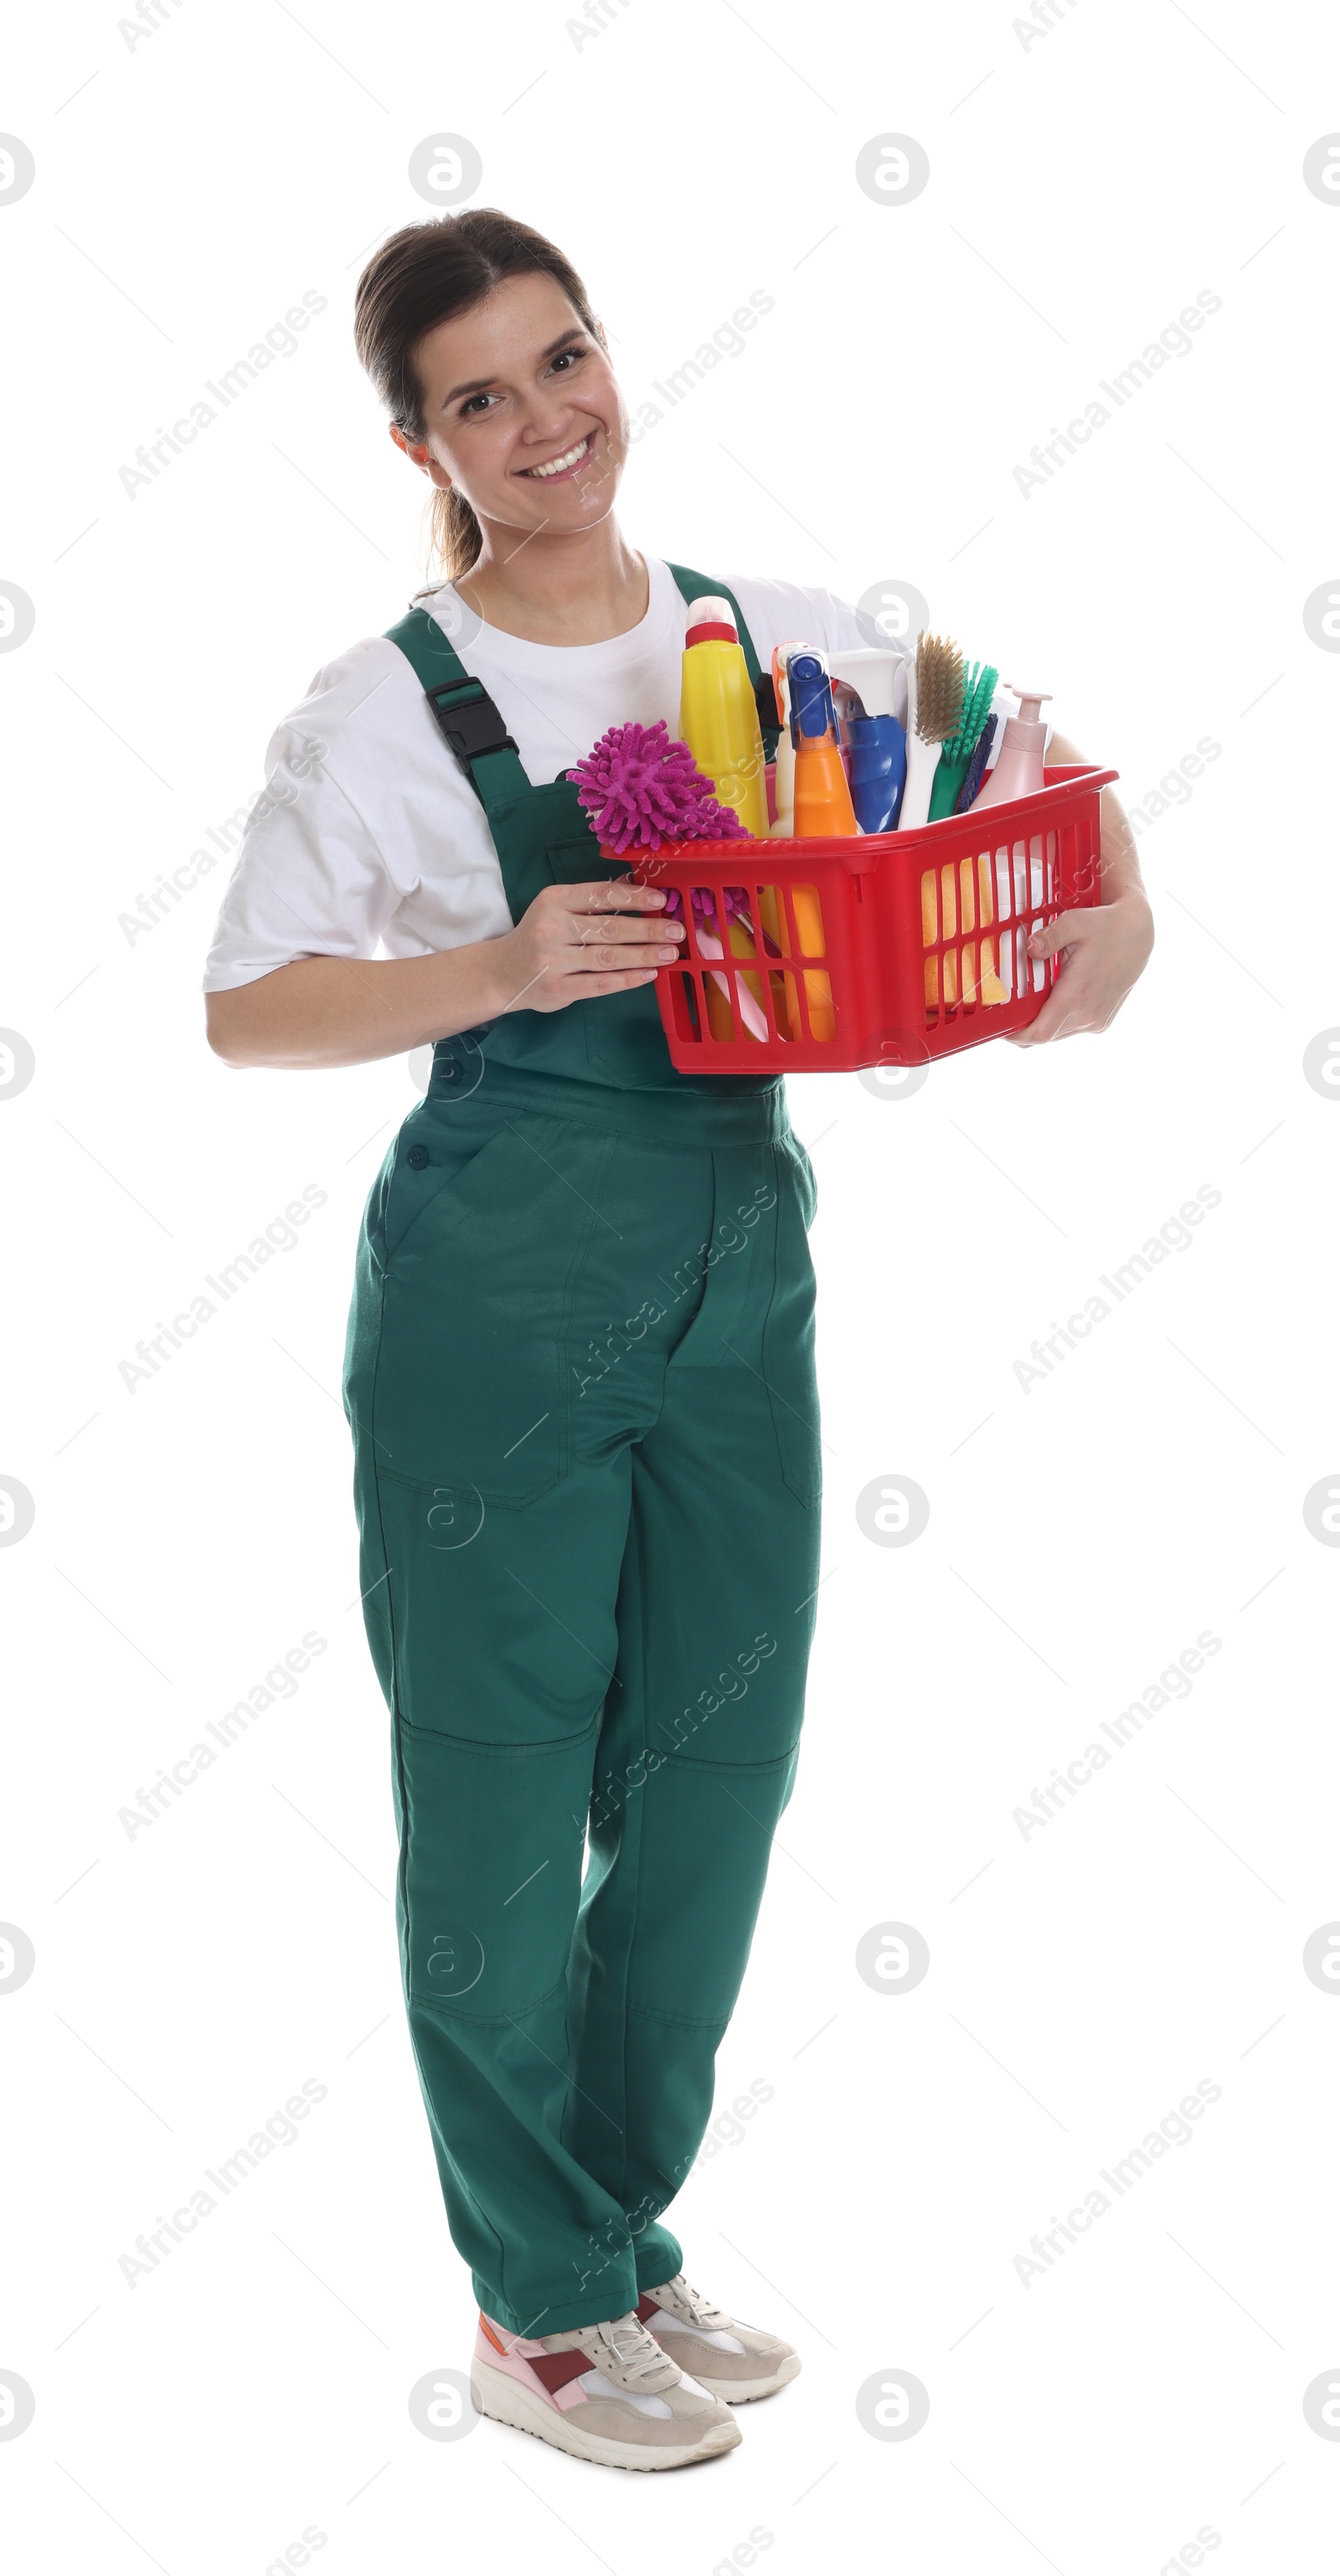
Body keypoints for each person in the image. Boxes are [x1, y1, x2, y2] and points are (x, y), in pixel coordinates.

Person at [204, 208, 1152, 2472]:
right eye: (483, 396)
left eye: (565, 357)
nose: (548, 420)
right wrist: (505, 964)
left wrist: (1096, 880)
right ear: (422, 443)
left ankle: (615, 2239)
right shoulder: (390, 702)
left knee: (711, 1780)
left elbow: (1015, 742)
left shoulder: (759, 633)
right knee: (507, 1802)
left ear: (610, 354)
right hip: (496, 1303)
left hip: (741, 1275)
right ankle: (526, 2317)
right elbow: (245, 1008)